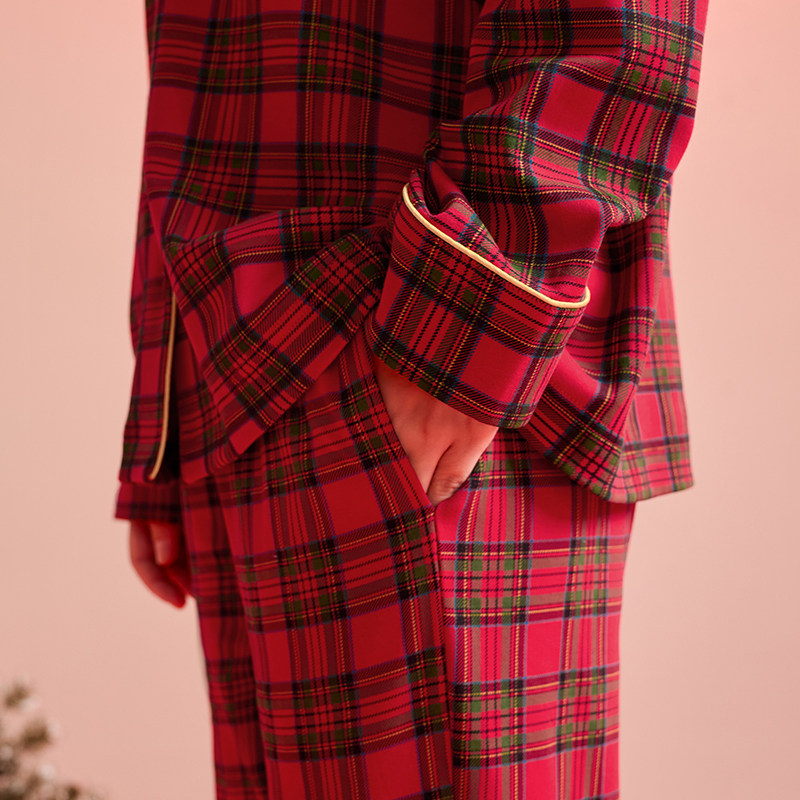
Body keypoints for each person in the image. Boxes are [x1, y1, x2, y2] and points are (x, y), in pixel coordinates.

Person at [115, 0, 708, 797]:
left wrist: (466, 330)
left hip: (414, 332)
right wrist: (164, 406)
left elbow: (612, 27)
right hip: (245, 352)